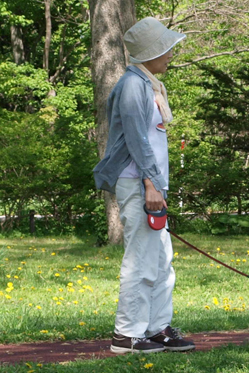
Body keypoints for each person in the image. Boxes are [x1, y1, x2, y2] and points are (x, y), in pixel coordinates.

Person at [93, 17, 195, 354]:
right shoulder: (134, 86)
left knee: (162, 259)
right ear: (150, 52)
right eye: (165, 48)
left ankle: (155, 329)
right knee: (140, 259)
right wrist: (151, 185)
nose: (170, 54)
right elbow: (137, 140)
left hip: (152, 185)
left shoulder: (149, 84)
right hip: (138, 183)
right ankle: (127, 335)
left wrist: (158, 185)